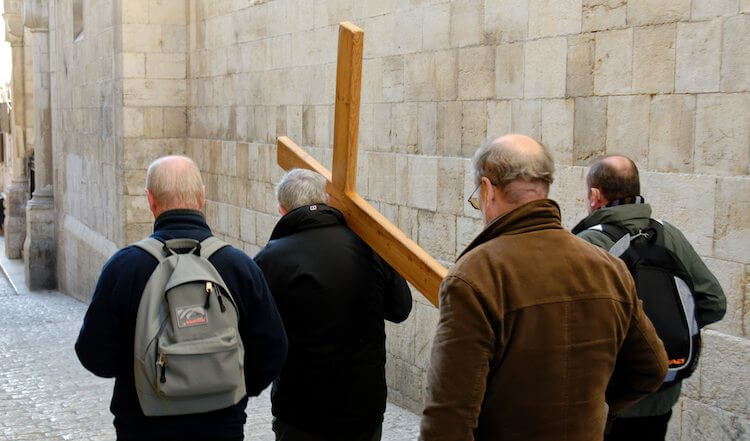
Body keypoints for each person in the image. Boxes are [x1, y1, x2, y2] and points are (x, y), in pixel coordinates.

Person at [419, 135, 669, 441]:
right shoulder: (608, 268)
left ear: (487, 189)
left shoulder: (476, 276)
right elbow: (652, 368)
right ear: (544, 187)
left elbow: (448, 417)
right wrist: (595, 408)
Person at [75, 155, 288, 441]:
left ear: (150, 201)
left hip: (143, 427)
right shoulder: (238, 267)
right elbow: (273, 349)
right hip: (221, 426)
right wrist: (229, 385)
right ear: (201, 198)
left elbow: (94, 355)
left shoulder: (124, 268)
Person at [572, 155, 726, 441]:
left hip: (608, 398)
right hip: (661, 394)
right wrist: (668, 330)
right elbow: (714, 303)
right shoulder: (669, 235)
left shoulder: (586, 244)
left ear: (594, 195)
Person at [254, 168, 412, 441]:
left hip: (301, 413)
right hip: (363, 408)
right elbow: (401, 308)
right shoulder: (368, 248)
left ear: (282, 210)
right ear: (327, 202)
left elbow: (258, 338)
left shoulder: (270, 259)